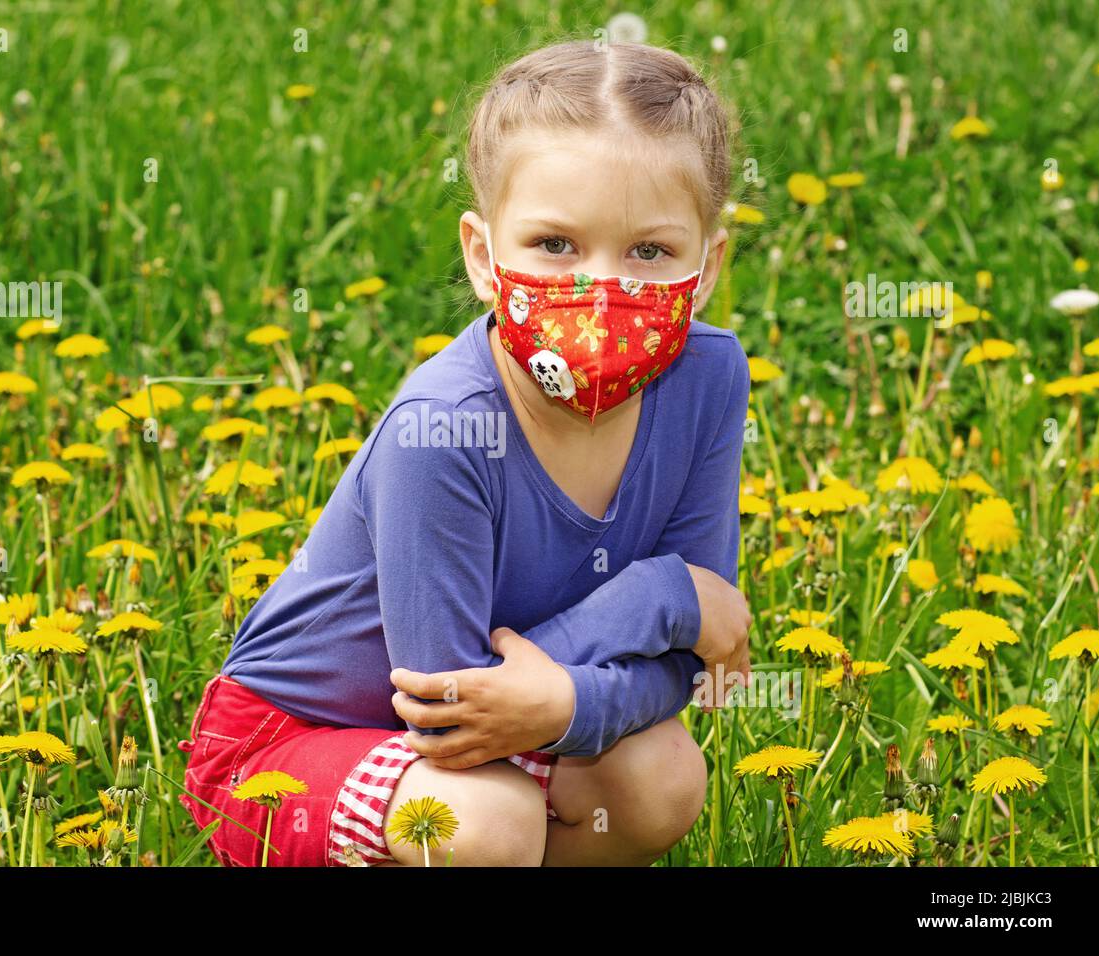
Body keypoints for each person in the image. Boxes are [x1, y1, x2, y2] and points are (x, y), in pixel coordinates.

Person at [179, 39, 753, 867]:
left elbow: (686, 667)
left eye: (650, 252)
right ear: (484, 259)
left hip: (488, 745)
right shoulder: (442, 426)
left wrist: (568, 702)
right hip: (285, 756)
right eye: (555, 244)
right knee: (480, 822)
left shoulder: (709, 375)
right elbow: (452, 715)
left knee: (660, 774)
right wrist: (662, 596)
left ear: (704, 270)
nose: (601, 289)